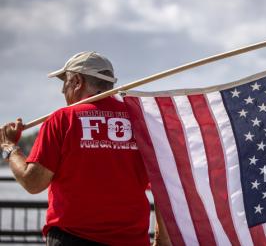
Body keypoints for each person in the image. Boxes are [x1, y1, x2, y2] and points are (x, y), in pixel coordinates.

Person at [0, 51, 170, 245]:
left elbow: (33, 182)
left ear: (77, 81)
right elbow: (164, 184)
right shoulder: (142, 121)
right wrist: (162, 237)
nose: (62, 91)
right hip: (131, 240)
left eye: (65, 83)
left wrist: (9, 146)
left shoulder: (63, 119)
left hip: (72, 238)